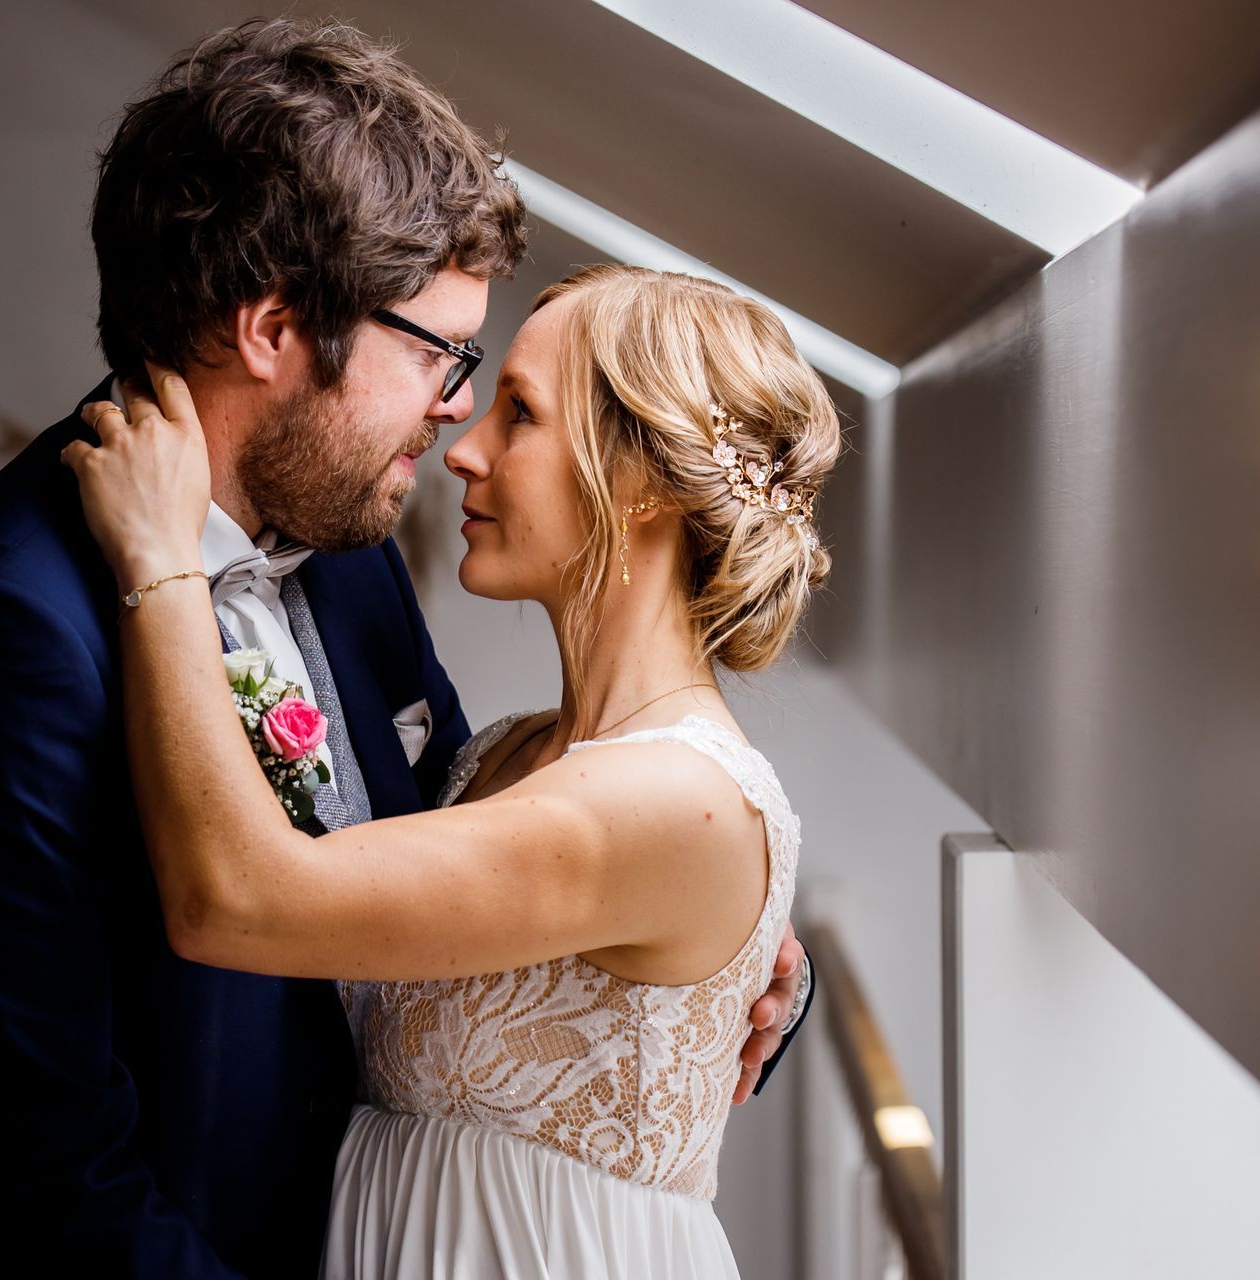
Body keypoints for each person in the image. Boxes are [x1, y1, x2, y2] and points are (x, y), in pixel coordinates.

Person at [0, 19, 808, 1278]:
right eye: (437, 352)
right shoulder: (0, 618)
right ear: (274, 327)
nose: (456, 408)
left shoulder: (348, 556)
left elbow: (494, 875)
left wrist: (726, 964)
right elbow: (33, 1167)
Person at [62, 260, 839, 1277]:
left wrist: (159, 562)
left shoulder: (675, 802)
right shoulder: (498, 754)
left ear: (644, 481)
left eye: (519, 412)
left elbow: (239, 895)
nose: (462, 449)